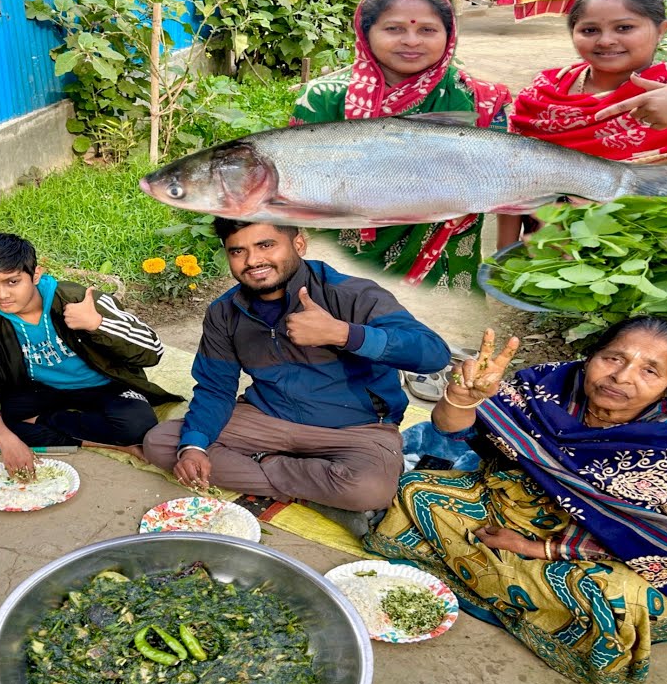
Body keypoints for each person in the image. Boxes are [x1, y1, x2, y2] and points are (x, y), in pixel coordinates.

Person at [366, 317, 667, 684]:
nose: (622, 377)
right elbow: (453, 429)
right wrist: (461, 399)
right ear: (591, 355)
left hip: (609, 550)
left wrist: (533, 548)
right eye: (613, 358)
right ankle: (511, 582)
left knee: (622, 603)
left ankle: (504, 575)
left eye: (649, 370)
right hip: (519, 501)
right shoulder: (548, 385)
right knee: (415, 489)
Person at [141, 219, 451, 512]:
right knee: (163, 443)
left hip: (356, 428)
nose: (252, 261)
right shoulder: (224, 312)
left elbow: (433, 354)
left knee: (370, 489)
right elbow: (215, 387)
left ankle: (269, 466)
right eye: (238, 251)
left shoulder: (350, 294)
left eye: (266, 246)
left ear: (299, 243)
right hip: (267, 417)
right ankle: (310, 486)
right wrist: (194, 446)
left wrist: (342, 334)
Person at [289, 0, 511, 292]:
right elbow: (299, 181)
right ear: (366, 33)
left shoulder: (479, 98)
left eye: (427, 29)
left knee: (438, 336)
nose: (411, 40)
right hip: (346, 251)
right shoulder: (323, 97)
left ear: (449, 35)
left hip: (444, 252)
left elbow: (499, 173)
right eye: (393, 29)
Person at [504, 0, 667, 245]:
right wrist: (502, 253)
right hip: (550, 252)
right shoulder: (542, 94)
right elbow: (511, 178)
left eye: (624, 28)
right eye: (589, 30)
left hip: (666, 250)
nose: (605, 40)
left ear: (661, 31)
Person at [0, 233, 180, 479]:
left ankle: (42, 422)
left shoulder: (77, 299)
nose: (2, 295)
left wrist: (96, 324)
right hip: (41, 391)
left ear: (35, 275)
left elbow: (152, 351)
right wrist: (5, 439)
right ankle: (94, 438)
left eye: (12, 282)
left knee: (138, 428)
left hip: (106, 384)